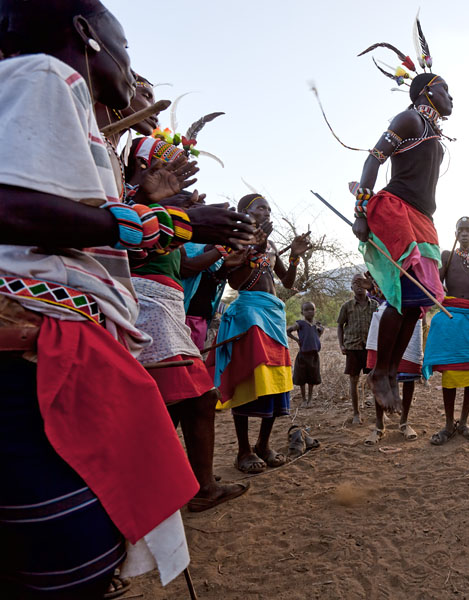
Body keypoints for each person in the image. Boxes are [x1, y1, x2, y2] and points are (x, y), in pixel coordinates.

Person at [0, 1, 255, 595]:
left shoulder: (46, 94)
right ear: (87, 34)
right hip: (32, 347)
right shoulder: (45, 75)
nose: (129, 65)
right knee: (68, 553)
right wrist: (175, 222)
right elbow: (12, 209)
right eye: (126, 46)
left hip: (48, 341)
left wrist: (161, 214)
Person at [126, 138, 250, 513]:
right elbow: (127, 246)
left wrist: (221, 246)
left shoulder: (164, 214)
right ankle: (181, 485)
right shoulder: (130, 206)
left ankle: (187, 484)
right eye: (170, 169)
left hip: (165, 303)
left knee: (184, 399)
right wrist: (170, 214)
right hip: (147, 302)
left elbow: (186, 267)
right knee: (192, 397)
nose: (177, 179)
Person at [351, 70, 453, 412]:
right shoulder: (409, 119)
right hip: (397, 211)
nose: (451, 98)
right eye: (445, 90)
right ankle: (380, 371)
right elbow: (373, 159)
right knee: (403, 295)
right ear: (427, 92)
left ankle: (392, 369)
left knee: (418, 300)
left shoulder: (432, 133)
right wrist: (360, 212)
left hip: (423, 220)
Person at [210, 194, 311, 474]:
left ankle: (263, 445)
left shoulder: (273, 246)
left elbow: (288, 283)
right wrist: (254, 243)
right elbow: (232, 278)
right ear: (245, 212)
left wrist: (294, 257)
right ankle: (243, 450)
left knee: (276, 379)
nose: (266, 211)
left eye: (268, 208)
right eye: (259, 207)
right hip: (249, 312)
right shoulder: (235, 240)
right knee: (248, 375)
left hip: (274, 313)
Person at [423, 216, 469, 445]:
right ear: (455, 234)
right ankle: (448, 423)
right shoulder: (447, 255)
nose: (464, 233)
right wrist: (439, 273)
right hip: (452, 316)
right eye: (460, 230)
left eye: (468, 230)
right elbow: (437, 284)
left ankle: (463, 421)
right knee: (451, 371)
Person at [363, 299, 423, 445]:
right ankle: (379, 425)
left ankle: (404, 422)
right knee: (380, 373)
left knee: (409, 376)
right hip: (386, 317)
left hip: (411, 320)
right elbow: (377, 288)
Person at [337, 274, 379, 424]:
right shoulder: (346, 306)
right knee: (353, 380)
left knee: (375, 379)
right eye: (355, 282)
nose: (359, 285)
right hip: (353, 348)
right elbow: (340, 326)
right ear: (351, 287)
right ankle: (356, 413)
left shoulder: (375, 305)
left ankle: (379, 412)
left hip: (370, 347)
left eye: (362, 282)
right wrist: (341, 344)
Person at [287, 301, 324, 408]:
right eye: (306, 310)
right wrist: (297, 340)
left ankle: (310, 399)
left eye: (312, 309)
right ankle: (303, 399)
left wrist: (319, 332)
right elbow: (288, 331)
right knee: (302, 378)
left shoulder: (317, 326)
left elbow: (317, 336)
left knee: (312, 378)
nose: (310, 312)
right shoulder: (300, 324)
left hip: (314, 356)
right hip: (303, 355)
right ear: (302, 312)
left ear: (315, 311)